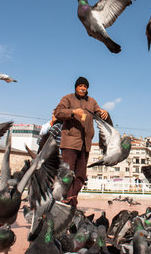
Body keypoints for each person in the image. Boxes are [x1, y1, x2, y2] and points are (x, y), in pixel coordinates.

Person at [53, 76, 108, 206]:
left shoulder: (92, 101)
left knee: (81, 174)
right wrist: (72, 112)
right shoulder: (68, 98)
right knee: (67, 172)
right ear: (76, 87)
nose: (83, 88)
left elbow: (97, 112)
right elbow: (58, 112)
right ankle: (65, 198)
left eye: (85, 86)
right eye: (81, 86)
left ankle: (72, 197)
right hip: (70, 142)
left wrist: (102, 112)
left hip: (85, 143)